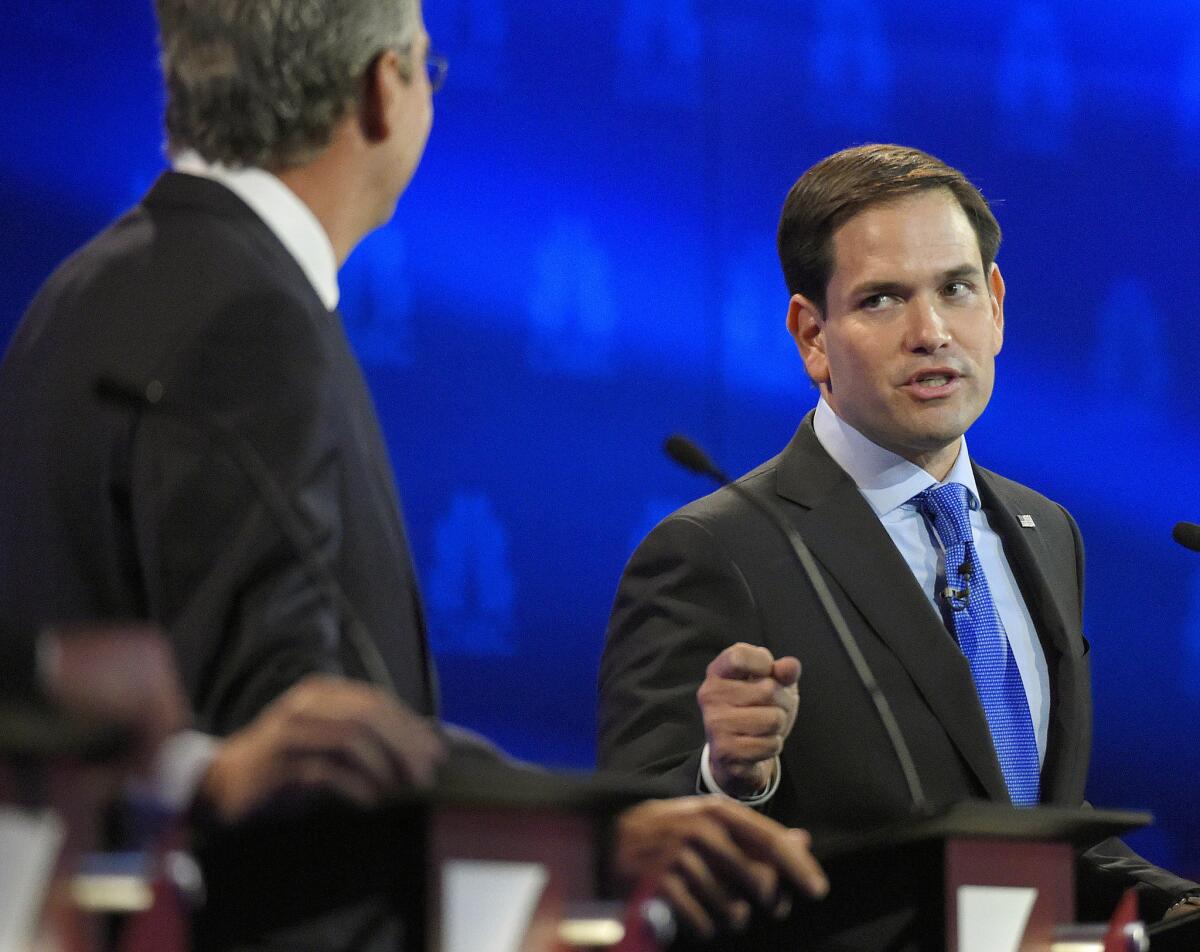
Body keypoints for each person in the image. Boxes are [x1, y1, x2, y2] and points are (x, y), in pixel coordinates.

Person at [0, 0, 828, 947]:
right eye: (427, 68)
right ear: (381, 90)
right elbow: (305, 736)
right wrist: (602, 826)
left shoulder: (77, 291)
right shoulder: (254, 318)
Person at [597, 143, 1200, 947]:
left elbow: (1029, 814)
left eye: (955, 289)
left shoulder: (1046, 530)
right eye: (883, 299)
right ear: (812, 335)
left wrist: (1172, 903)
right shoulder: (718, 551)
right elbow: (628, 849)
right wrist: (727, 779)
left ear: (995, 305)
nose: (930, 332)